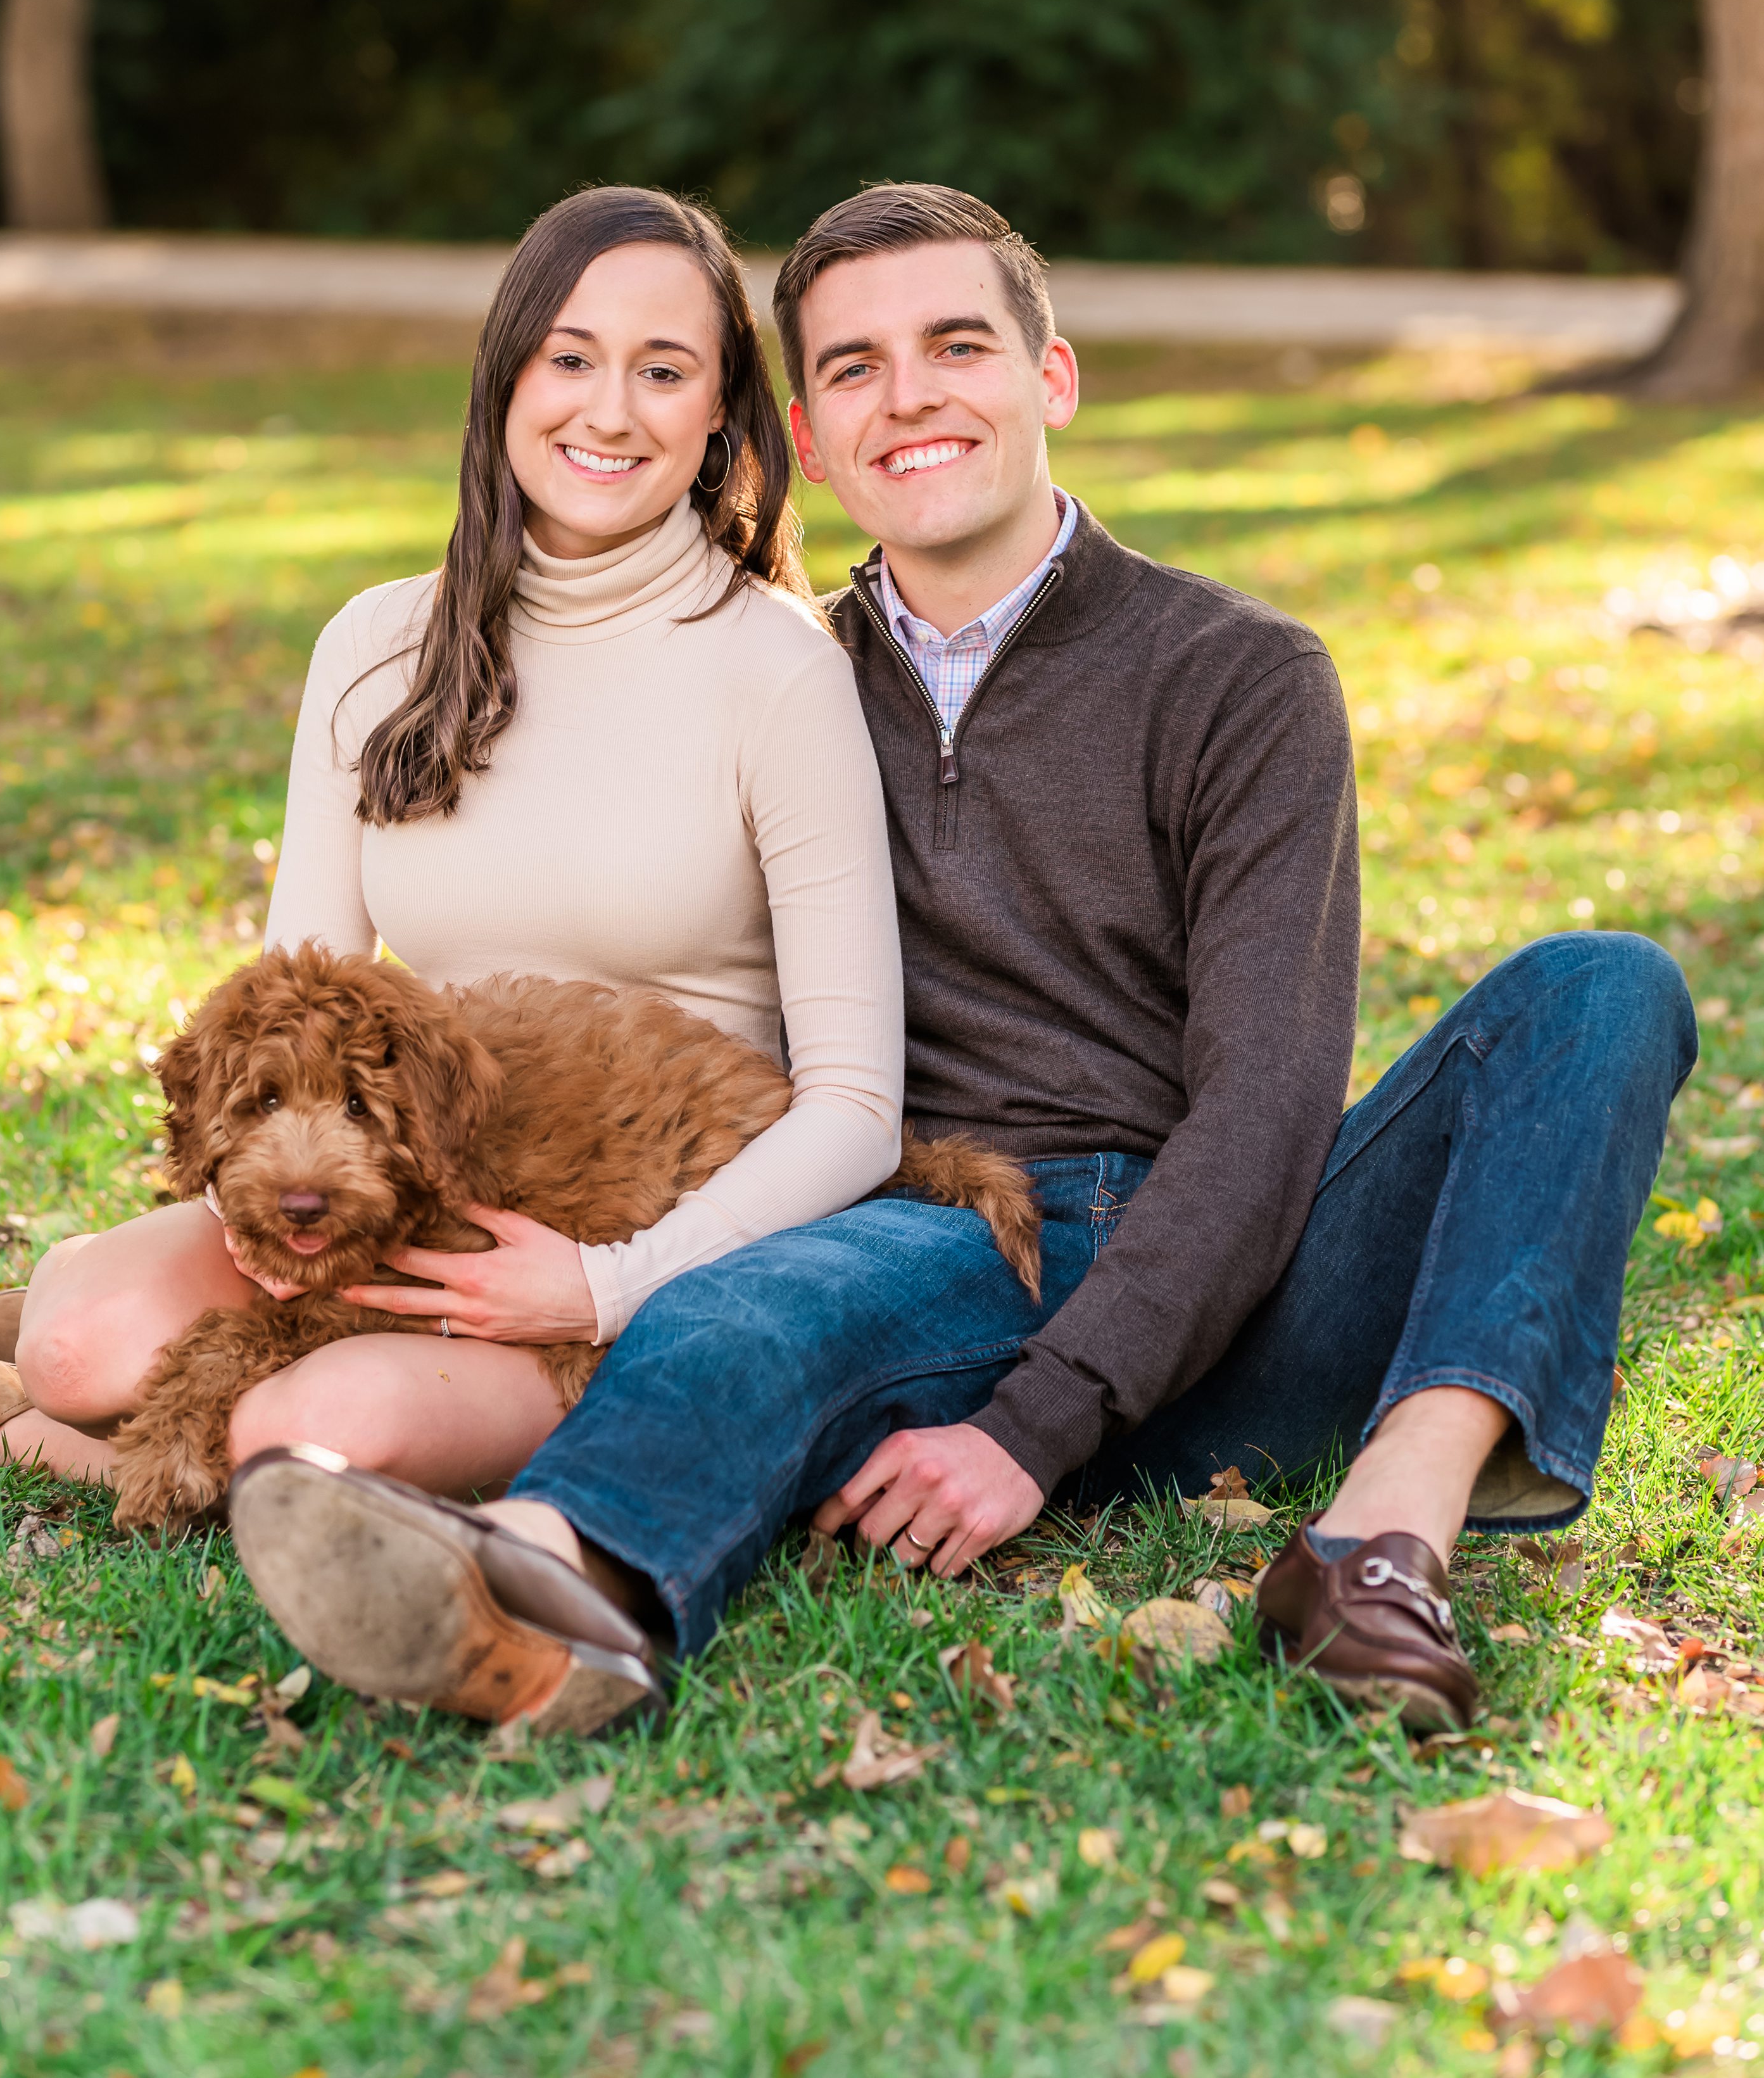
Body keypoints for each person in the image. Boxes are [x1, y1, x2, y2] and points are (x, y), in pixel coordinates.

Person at [222, 182, 1696, 1739]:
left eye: (957, 347)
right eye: (855, 367)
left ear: (1049, 379)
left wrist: (1041, 1428)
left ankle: (1380, 1544)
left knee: (1601, 987)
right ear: (808, 426)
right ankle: (533, 1591)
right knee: (737, 1317)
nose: (909, 395)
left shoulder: (1238, 678)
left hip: (1236, 1272)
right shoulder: (780, 674)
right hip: (937, 1246)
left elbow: (1266, 1113)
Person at [0, 187, 904, 1729]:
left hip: (624, 1223)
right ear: (503, 384)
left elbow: (856, 1111)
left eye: (665, 371)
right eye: (568, 358)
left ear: (724, 420)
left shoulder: (779, 672)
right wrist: (256, 1210)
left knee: (300, 1442)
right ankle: (36, 1358)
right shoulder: (377, 644)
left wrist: (603, 1286)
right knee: (88, 1337)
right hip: (393, 1181)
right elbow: (294, 995)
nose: (608, 409)